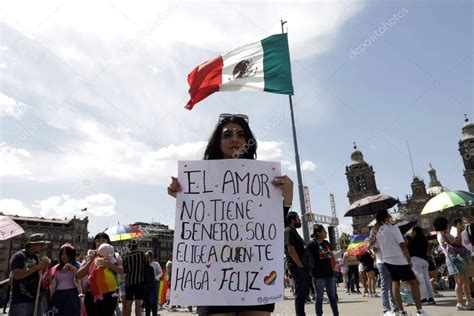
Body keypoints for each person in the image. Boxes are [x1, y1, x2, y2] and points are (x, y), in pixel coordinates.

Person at [167, 113, 294, 316]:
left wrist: (287, 197)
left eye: (241, 134)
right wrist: (182, 195)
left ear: (248, 142)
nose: (234, 139)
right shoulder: (200, 180)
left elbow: (270, 227)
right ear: (218, 142)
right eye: (227, 135)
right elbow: (198, 221)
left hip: (254, 274)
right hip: (212, 278)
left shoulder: (263, 180)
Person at [373, 210, 426, 316]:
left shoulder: (378, 231)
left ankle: (402, 311)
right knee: (413, 283)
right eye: (389, 216)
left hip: (387, 260)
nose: (391, 217)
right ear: (386, 218)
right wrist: (408, 258)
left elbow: (375, 249)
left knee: (395, 284)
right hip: (399, 260)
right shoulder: (393, 228)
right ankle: (420, 311)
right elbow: (402, 245)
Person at [77, 232, 123, 316]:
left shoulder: (115, 256)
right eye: (97, 240)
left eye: (103, 240)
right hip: (91, 294)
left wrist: (109, 264)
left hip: (109, 294)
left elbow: (121, 271)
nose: (100, 242)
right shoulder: (88, 256)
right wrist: (91, 260)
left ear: (108, 243)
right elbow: (79, 275)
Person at [434, 216, 473, 310]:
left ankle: (469, 300)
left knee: (464, 280)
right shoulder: (443, 235)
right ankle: (459, 303)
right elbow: (458, 242)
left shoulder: (442, 234)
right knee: (459, 282)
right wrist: (459, 230)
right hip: (454, 259)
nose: (448, 225)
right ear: (444, 225)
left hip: (455, 258)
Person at [9, 233, 51, 316]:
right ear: (33, 245)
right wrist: (36, 267)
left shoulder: (37, 257)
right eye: (41, 244)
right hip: (21, 301)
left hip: (36, 300)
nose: (43, 247)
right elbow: (17, 275)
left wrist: (45, 266)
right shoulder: (19, 256)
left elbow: (40, 276)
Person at [307, 224, 339, 316]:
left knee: (332, 297)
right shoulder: (311, 244)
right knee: (319, 298)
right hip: (318, 275)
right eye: (324, 231)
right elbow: (310, 259)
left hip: (329, 274)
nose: (326, 233)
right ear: (318, 233)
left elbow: (330, 256)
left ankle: (336, 314)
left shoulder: (326, 243)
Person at [285, 212, 310, 316]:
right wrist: (299, 264)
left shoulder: (294, 231)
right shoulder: (288, 231)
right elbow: (290, 249)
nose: (299, 221)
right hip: (296, 267)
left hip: (301, 267)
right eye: (298, 219)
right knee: (300, 294)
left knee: (303, 293)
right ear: (292, 220)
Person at [49, 243, 81, 316]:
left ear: (71, 255)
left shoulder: (77, 265)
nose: (64, 256)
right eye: (62, 254)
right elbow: (52, 283)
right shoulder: (56, 268)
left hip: (72, 294)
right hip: (57, 295)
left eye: (66, 254)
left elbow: (82, 277)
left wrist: (72, 268)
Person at [408, 226, 435, 305]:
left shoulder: (413, 241)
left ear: (415, 232)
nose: (412, 233)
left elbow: (409, 251)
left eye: (413, 232)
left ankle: (423, 299)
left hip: (416, 261)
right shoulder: (425, 240)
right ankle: (431, 298)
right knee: (427, 280)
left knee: (421, 281)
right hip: (425, 261)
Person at [122, 240, 146, 316]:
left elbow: (124, 270)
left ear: (130, 247)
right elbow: (145, 265)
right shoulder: (141, 254)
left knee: (128, 303)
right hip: (139, 281)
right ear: (137, 246)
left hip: (129, 282)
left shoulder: (125, 256)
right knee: (138, 303)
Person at [143, 251, 162, 316]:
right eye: (145, 257)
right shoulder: (144, 265)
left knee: (153, 302)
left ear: (151, 257)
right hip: (146, 286)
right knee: (147, 303)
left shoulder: (156, 264)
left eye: (147, 256)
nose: (146, 258)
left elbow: (160, 272)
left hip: (155, 283)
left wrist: (156, 278)